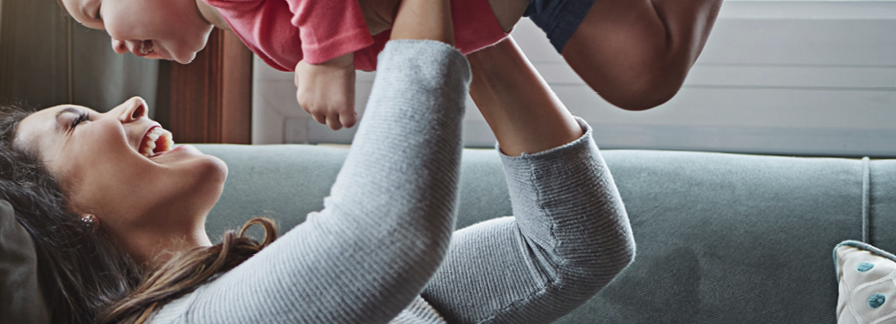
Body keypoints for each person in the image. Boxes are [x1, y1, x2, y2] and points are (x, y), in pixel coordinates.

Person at [0, 0, 632, 324]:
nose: (132, 102)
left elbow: (568, 252)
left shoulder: (279, 287)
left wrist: (459, 20)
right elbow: (383, 240)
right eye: (77, 123)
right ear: (64, 211)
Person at [58, 0, 722, 131]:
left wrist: (325, 55)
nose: (112, 44)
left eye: (94, 10)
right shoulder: (239, 23)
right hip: (497, 10)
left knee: (644, 72)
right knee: (645, 72)